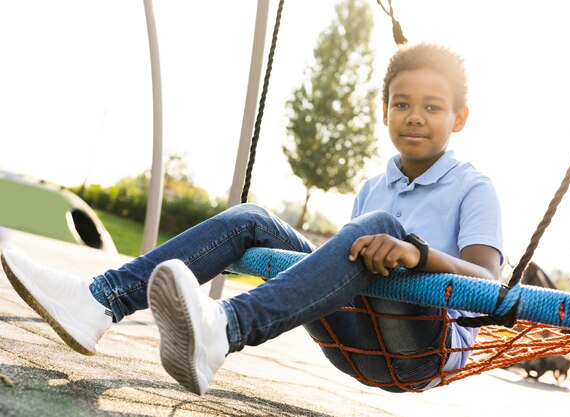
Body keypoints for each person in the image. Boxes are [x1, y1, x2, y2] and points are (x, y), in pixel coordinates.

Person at [0, 43, 503, 395]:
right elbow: (345, 271)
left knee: (383, 229)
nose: (415, 116)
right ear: (385, 112)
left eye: (433, 107)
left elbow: (488, 282)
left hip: (420, 352)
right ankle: (99, 303)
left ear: (458, 118)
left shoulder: (474, 187)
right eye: (402, 104)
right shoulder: (375, 186)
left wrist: (416, 252)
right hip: (355, 336)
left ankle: (225, 329)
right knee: (252, 219)